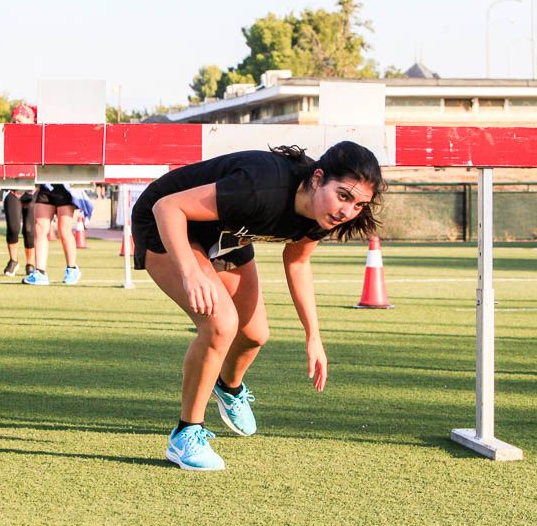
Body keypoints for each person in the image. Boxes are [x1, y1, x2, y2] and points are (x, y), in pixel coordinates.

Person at [132, 141, 384, 471]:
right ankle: (186, 434)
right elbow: (167, 207)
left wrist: (313, 336)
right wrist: (190, 272)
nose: (346, 211)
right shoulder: (262, 187)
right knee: (221, 325)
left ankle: (228, 386)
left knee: (254, 335)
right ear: (317, 177)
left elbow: (297, 263)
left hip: (225, 234)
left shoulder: (319, 216)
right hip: (167, 223)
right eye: (343, 195)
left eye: (357, 205)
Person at [22, 182, 88, 286]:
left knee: (64, 229)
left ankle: (72, 268)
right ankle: (40, 272)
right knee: (39, 228)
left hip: (65, 186)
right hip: (46, 184)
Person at [1, 103, 37, 277]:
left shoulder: (36, 138)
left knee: (30, 229)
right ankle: (13, 259)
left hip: (31, 189)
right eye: (14, 121)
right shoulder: (7, 137)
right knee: (13, 227)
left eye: (20, 122)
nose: (16, 125)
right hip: (13, 188)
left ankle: (31, 263)